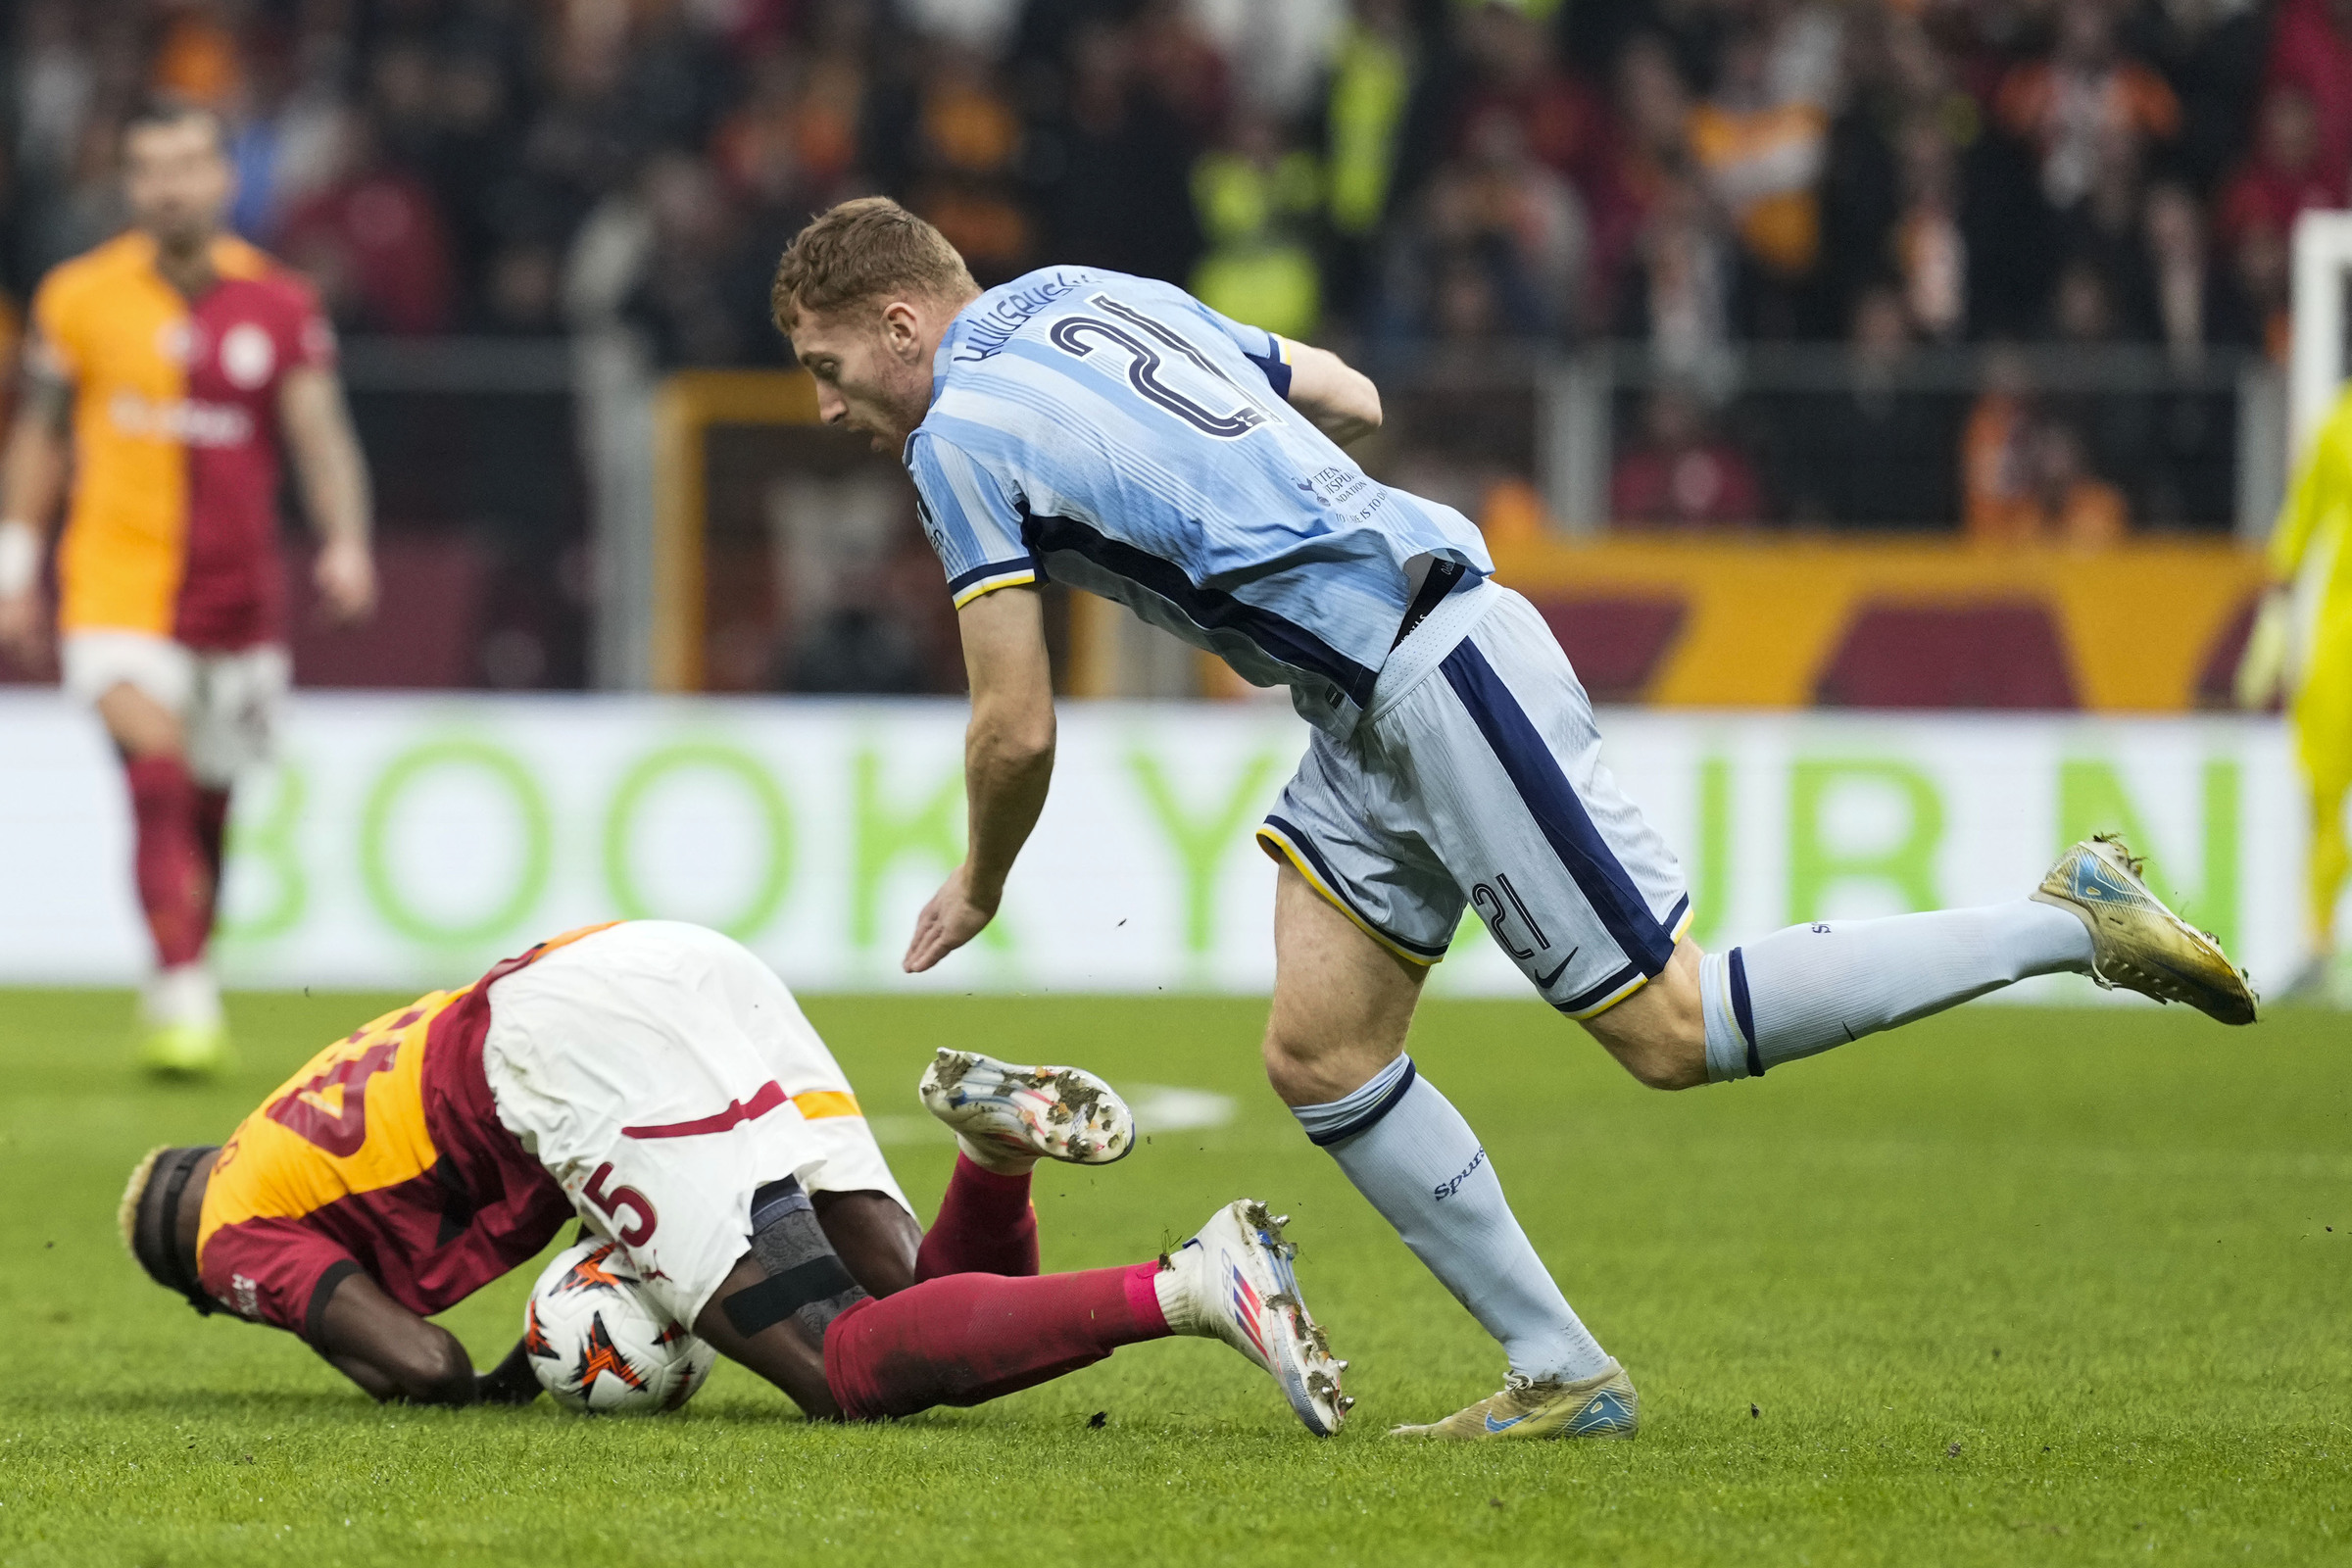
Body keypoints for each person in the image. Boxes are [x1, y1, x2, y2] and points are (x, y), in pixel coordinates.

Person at [767, 196, 2258, 1443]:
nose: (829, 409)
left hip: (1429, 676)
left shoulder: (955, 435)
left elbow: (1014, 722)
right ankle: (1561, 1373)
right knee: (1322, 1048)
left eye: (833, 368)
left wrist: (982, 876)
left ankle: (2059, 919)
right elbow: (1341, 387)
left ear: (905, 324)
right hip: (1365, 696)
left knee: (1670, 1031)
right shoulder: (1084, 292)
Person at [119, 919, 1348, 1431]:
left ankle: (1191, 1285)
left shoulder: (233, 1226)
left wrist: (493, 1388)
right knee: (903, 1290)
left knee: (843, 1374)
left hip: (558, 1048)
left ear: (192, 1273)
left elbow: (420, 1363)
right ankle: (989, 1152)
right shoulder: (283, 1128)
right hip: (660, 956)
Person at [0, 100, 376, 1075]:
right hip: (113, 587)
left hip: (238, 606)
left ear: (223, 177)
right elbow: (41, 431)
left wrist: (344, 540)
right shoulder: (78, 296)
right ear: (131, 185)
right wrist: (13, 560)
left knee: (208, 812)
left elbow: (319, 433)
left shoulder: (282, 302)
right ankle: (182, 999)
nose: (169, 184)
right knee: (156, 771)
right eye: (149, 168)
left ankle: (183, 970)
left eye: (186, 164)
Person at [2238, 384, 2352, 999]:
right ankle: (2318, 941)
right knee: (2325, 797)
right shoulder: (2337, 425)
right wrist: (2275, 633)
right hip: (2340, 646)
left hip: (2338, 643)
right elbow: (2298, 532)